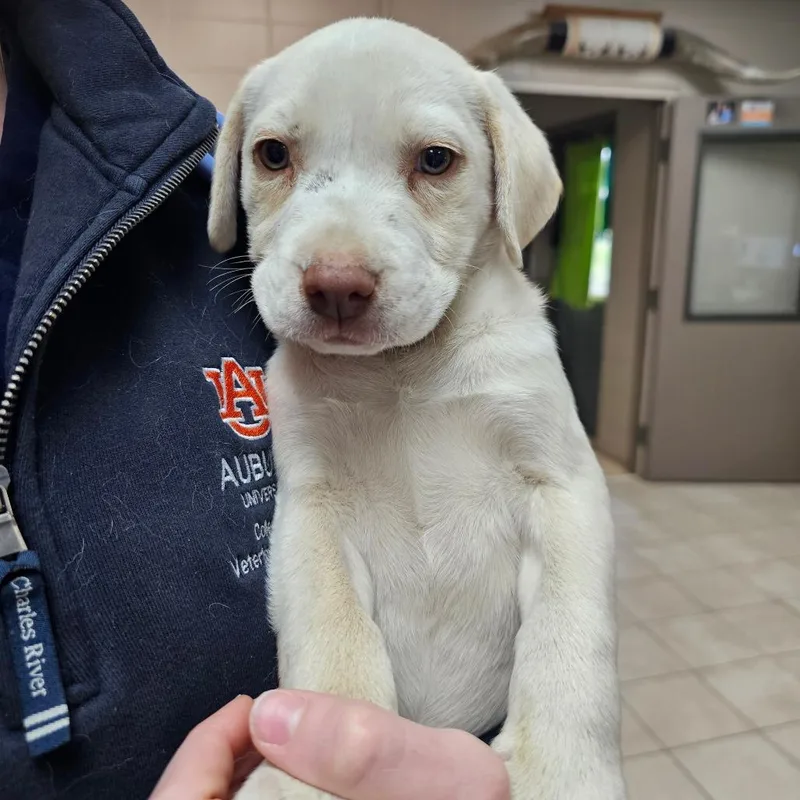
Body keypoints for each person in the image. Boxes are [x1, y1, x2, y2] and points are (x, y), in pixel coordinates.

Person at [0, 2, 506, 797]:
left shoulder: (177, 171)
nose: (337, 270)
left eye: (433, 161)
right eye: (277, 157)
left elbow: (468, 574)